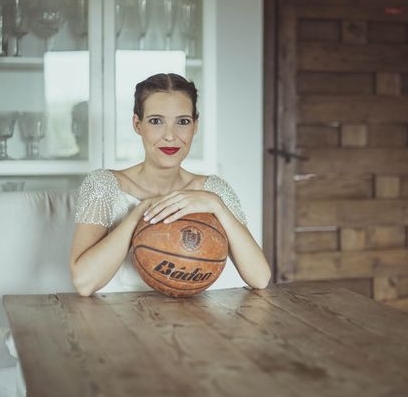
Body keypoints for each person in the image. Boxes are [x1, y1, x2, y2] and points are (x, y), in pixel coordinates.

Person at [69, 73, 271, 296]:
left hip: (194, 320)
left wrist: (218, 206)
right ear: (137, 124)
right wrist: (140, 212)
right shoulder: (105, 185)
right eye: (156, 121)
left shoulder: (212, 191)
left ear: (195, 126)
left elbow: (260, 278)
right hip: (118, 320)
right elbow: (83, 282)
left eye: (182, 122)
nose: (170, 136)